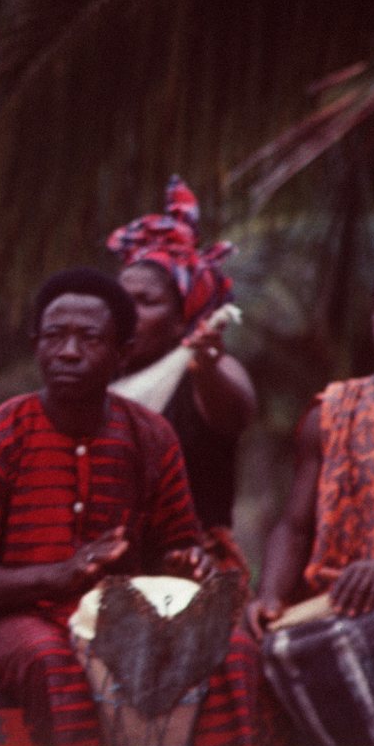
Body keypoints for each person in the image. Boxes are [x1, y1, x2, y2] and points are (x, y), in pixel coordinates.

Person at [0, 268, 265, 746]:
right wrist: (58, 575)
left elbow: (176, 546)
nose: (68, 351)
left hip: (127, 619)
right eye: (54, 337)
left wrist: (184, 561)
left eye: (89, 338)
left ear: (122, 352)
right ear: (36, 345)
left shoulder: (150, 435)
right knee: (51, 660)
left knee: (232, 649)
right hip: (19, 625)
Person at [247, 269, 374, 746]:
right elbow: (294, 524)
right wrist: (269, 595)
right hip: (339, 604)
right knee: (263, 648)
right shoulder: (333, 410)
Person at [107, 177, 256, 530]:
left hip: (195, 568)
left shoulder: (204, 372)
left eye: (147, 302)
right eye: (122, 301)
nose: (128, 313)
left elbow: (238, 412)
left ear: (180, 320)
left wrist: (208, 366)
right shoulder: (100, 378)